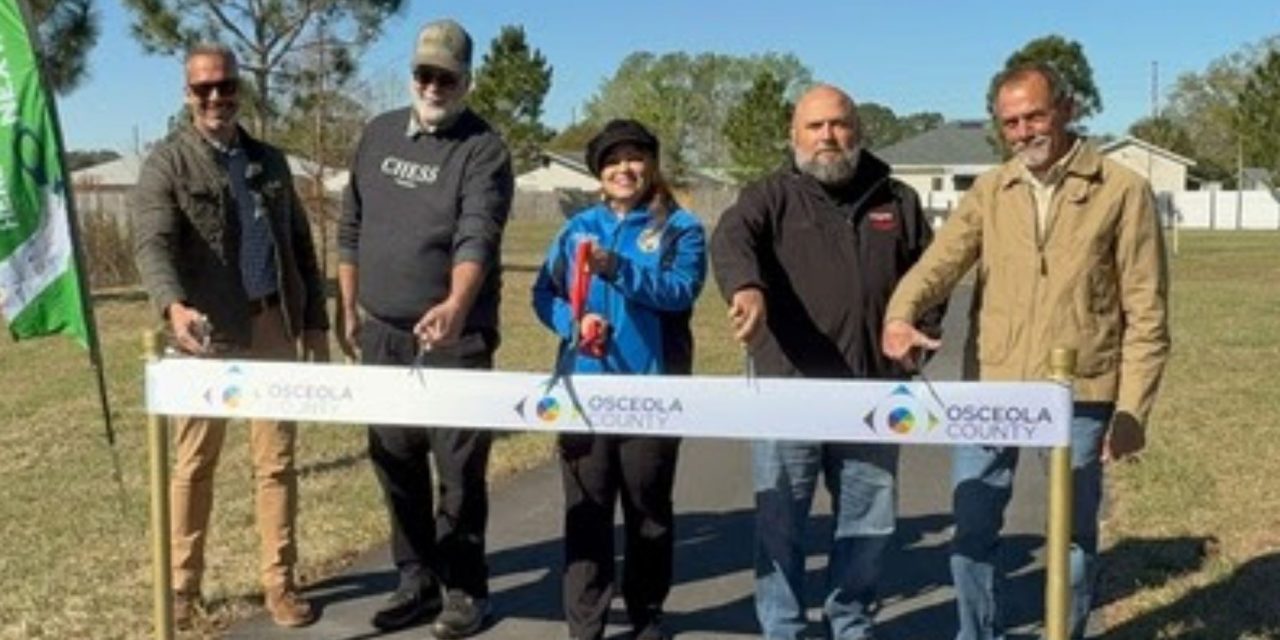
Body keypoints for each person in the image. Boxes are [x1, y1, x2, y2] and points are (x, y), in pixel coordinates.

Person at [882, 62, 1171, 640]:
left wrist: (1132, 409)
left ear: (1065, 109)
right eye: (1010, 122)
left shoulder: (1120, 190)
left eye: (1034, 116)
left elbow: (1149, 311)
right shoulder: (992, 190)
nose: (1023, 132)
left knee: (1072, 535)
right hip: (993, 387)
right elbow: (940, 262)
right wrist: (900, 313)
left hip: (1081, 393)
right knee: (972, 529)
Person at [710, 84, 942, 640]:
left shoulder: (898, 200)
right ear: (794, 136)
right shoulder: (768, 195)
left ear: (857, 132)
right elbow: (731, 239)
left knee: (869, 519)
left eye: (837, 125)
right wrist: (747, 289)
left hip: (874, 390)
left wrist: (920, 333)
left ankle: (850, 621)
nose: (827, 137)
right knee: (780, 521)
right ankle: (783, 626)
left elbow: (933, 276)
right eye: (814, 127)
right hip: (788, 386)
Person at [130, 43, 329, 629]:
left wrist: (314, 322)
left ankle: (280, 583)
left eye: (225, 86)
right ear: (187, 95)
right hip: (206, 332)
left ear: (240, 89)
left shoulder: (270, 161)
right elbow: (151, 243)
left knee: (276, 462)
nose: (215, 97)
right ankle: (183, 590)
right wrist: (173, 306)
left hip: (272, 324)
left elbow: (299, 246)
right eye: (202, 88)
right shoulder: (167, 163)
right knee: (194, 464)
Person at [336, 18, 513, 639]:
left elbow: (478, 233)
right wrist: (348, 300)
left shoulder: (483, 148)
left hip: (454, 338)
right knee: (394, 459)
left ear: (466, 79)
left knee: (458, 468)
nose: (433, 85)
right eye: (423, 74)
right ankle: (414, 579)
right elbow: (351, 223)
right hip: (382, 331)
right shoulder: (378, 133)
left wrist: (459, 303)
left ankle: (465, 589)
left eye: (446, 76)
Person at [532, 119, 707, 640]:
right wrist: (572, 322)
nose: (623, 169)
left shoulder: (682, 228)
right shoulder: (577, 227)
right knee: (586, 510)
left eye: (634, 158)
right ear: (598, 173)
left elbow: (680, 292)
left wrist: (617, 270)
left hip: (651, 390)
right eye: (612, 161)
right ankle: (585, 624)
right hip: (583, 391)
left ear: (651, 164)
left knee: (647, 510)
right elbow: (544, 294)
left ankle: (646, 615)